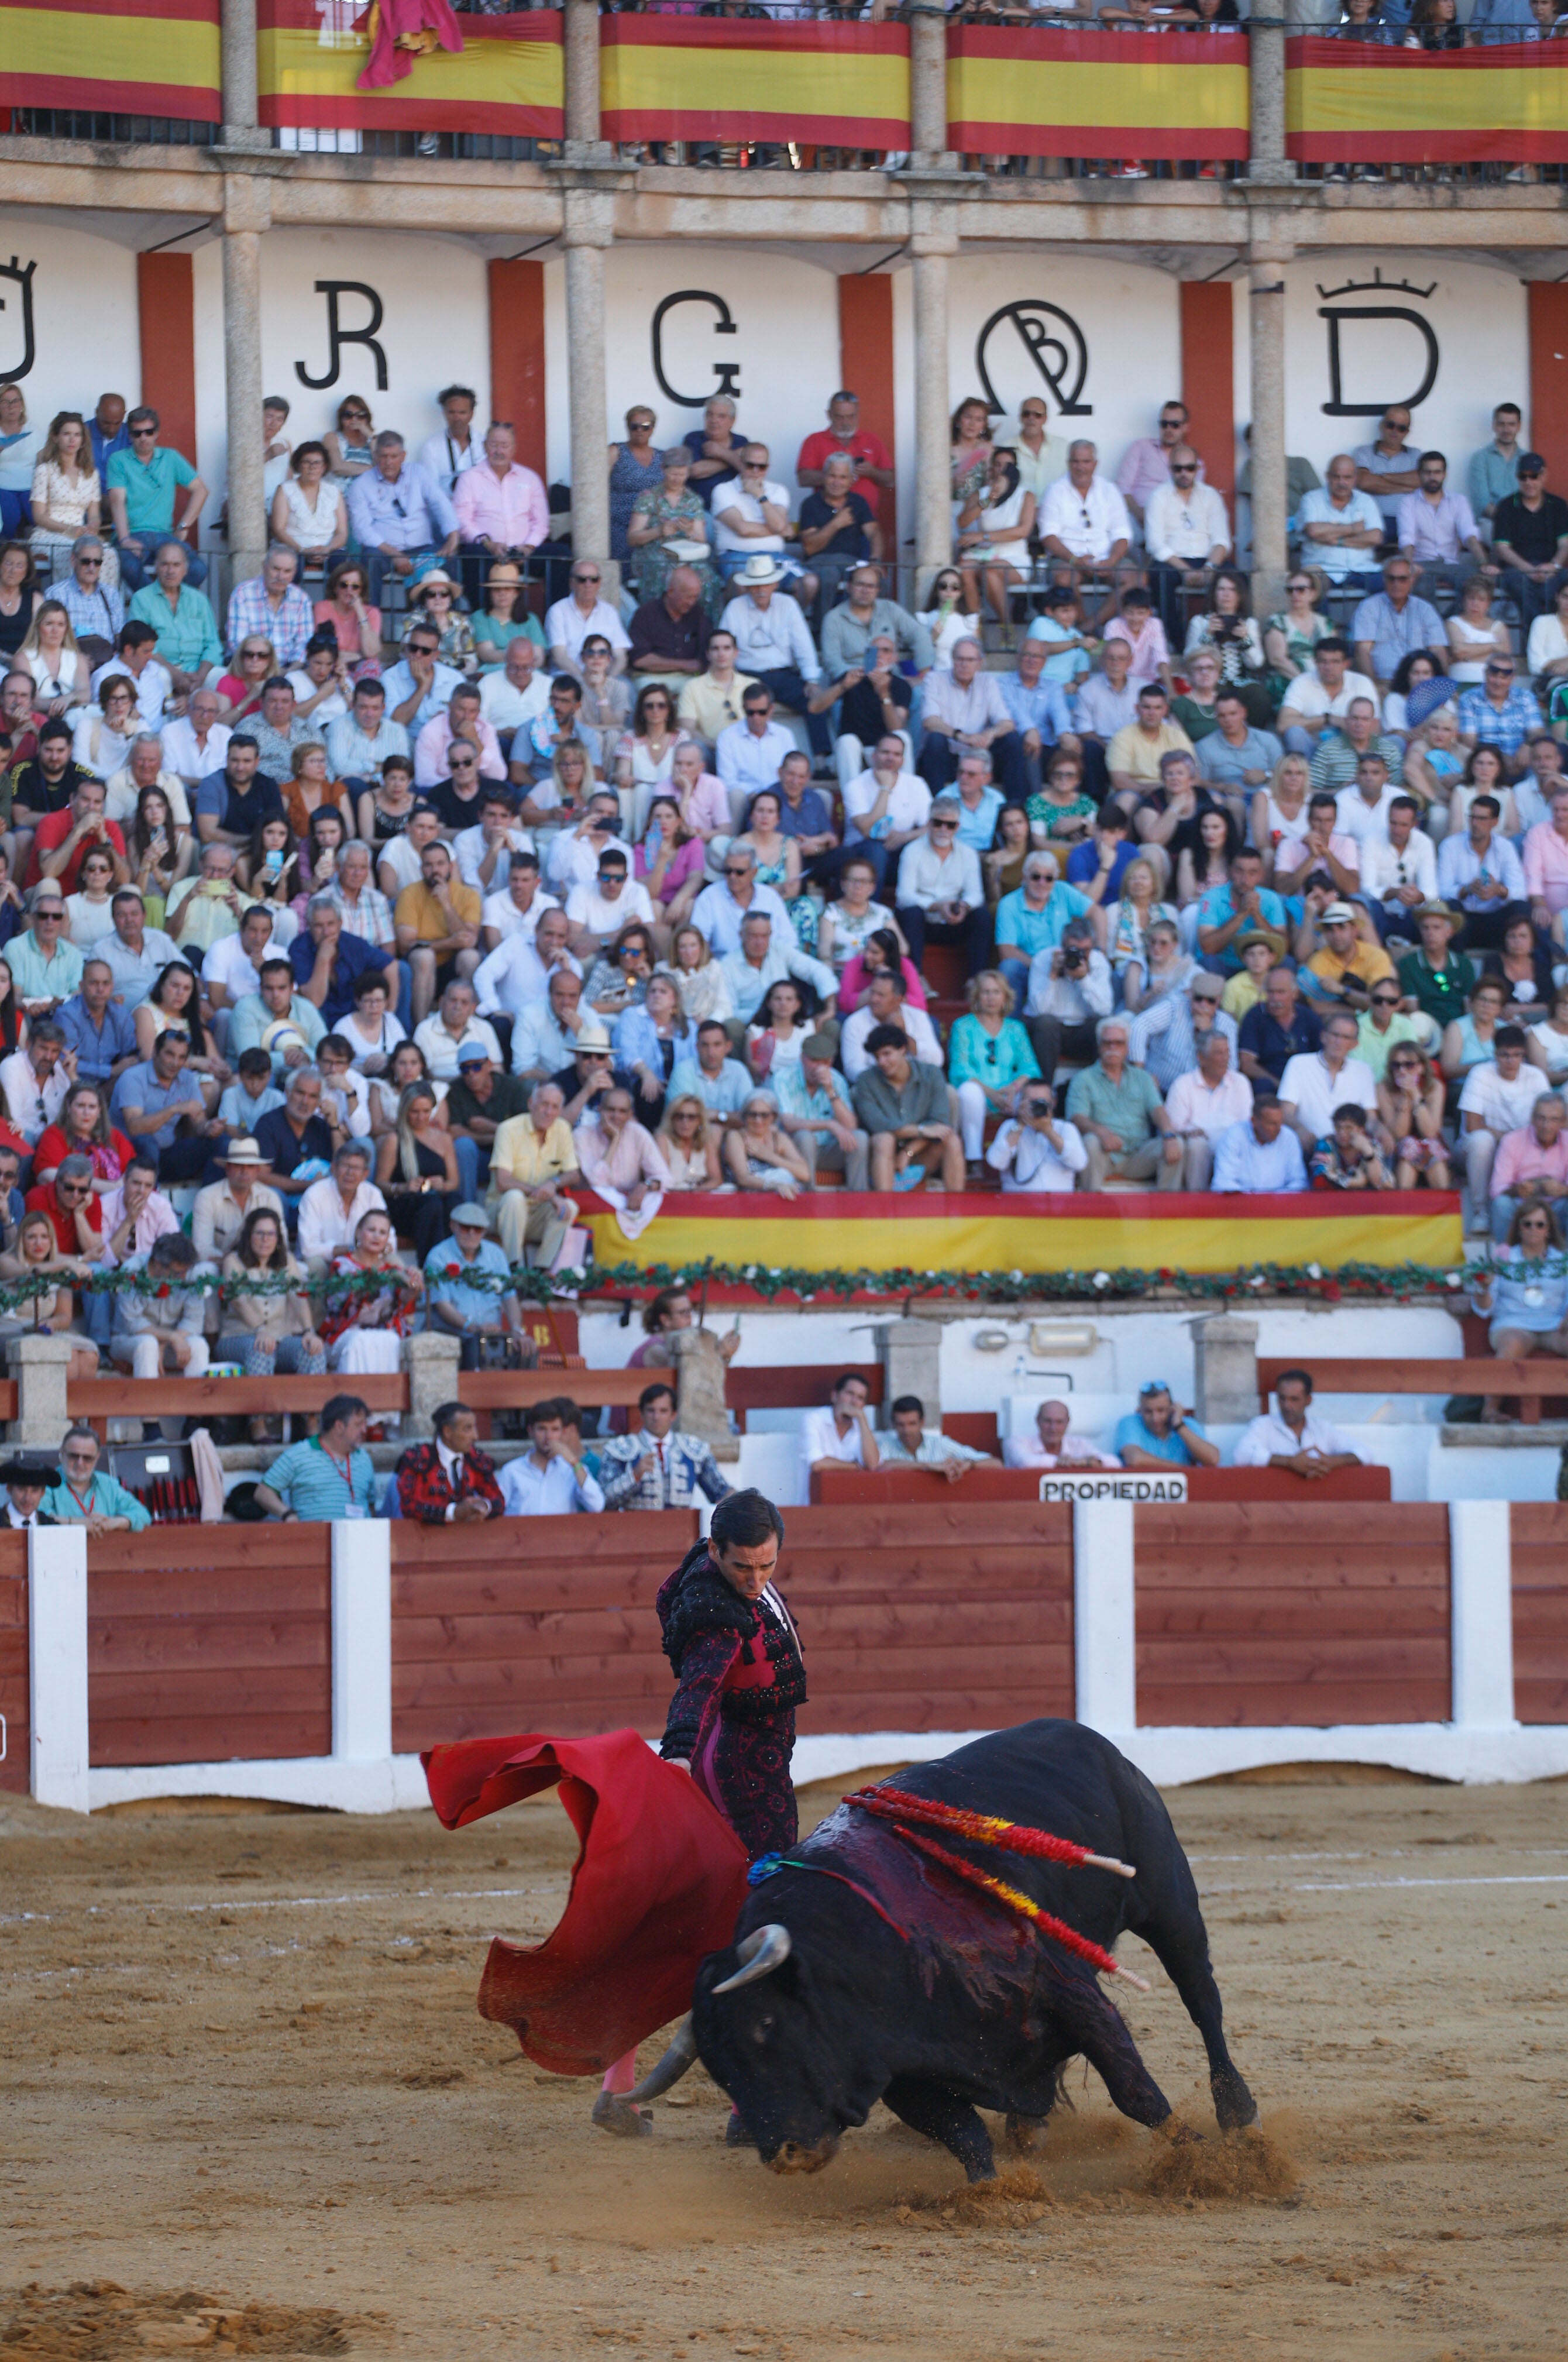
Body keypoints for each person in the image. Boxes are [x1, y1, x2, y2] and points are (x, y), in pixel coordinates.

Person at [1066, 1015, 1181, 1191]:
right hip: (1106, 1154)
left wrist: (1169, 1134)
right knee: (1091, 1141)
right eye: (1107, 1043)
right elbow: (1077, 1117)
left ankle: (1167, 1212)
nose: (1113, 1048)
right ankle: (1091, 1208)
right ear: (1099, 1047)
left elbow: (1157, 1109)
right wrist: (1100, 1131)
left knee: (1176, 1144)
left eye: (1119, 1043)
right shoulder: (1084, 1079)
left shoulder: (1142, 1077)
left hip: (1139, 1154)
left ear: (1127, 1048)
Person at [345, 432, 459, 606]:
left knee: (450, 558)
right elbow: (362, 530)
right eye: (383, 456)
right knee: (370, 559)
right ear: (375, 456)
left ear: (403, 456)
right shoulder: (361, 485)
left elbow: (440, 503)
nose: (389, 462)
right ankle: (371, 623)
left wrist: (453, 536)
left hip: (423, 547)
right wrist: (395, 554)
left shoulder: (418, 473)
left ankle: (450, 625)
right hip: (384, 551)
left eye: (394, 456)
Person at [851, 1022, 962, 1194]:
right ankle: (884, 1211)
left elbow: (940, 1125)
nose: (882, 1062)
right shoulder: (866, 1080)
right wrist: (922, 1130)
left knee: (952, 1140)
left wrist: (908, 1152)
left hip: (919, 1153)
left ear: (903, 1049)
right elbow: (879, 1125)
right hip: (880, 1155)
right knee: (884, 1139)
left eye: (887, 1054)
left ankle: (957, 1213)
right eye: (877, 1056)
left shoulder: (931, 1074)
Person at [104, 407, 208, 592]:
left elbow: (201, 490)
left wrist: (184, 526)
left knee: (198, 569)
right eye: (137, 433)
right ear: (130, 436)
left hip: (165, 537)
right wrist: (125, 538)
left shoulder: (171, 457)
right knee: (128, 566)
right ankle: (154, 604)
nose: (143, 437)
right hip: (133, 534)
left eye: (148, 432)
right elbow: (117, 500)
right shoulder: (118, 460)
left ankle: (162, 603)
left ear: (157, 433)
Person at [599, 1380, 734, 1514]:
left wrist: (740, 1501)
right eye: (651, 1411)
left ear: (673, 1415)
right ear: (641, 1413)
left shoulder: (692, 1449)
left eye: (663, 1411)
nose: (656, 1417)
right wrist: (634, 1475)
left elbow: (721, 1492)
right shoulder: (620, 1449)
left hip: (683, 1530)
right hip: (634, 1530)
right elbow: (603, 1502)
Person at [917, 638, 1026, 802]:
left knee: (1013, 740)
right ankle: (937, 805)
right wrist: (962, 736)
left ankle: (1016, 807)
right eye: (960, 659)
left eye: (970, 660)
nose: (964, 664)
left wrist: (991, 733)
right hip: (947, 757)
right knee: (935, 739)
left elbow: (1007, 722)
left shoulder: (988, 682)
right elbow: (930, 721)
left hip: (979, 758)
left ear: (979, 663)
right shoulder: (934, 679)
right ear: (953, 659)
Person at [424, 1205, 521, 1368]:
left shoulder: (496, 1254)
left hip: (491, 1336)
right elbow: (442, 1305)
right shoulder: (438, 1256)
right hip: (453, 1334)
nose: (471, 1233)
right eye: (465, 1227)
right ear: (453, 1226)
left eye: (478, 1229)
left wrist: (517, 1331)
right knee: (474, 1346)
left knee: (525, 1348)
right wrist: (473, 1328)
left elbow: (510, 1297)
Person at [255, 1394, 377, 1521]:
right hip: (314, 1538)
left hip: (359, 1538)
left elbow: (371, 1506)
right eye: (358, 1425)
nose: (364, 1430)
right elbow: (263, 1493)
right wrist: (287, 1514)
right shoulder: (299, 1454)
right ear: (340, 1426)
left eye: (365, 1424)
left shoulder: (364, 1459)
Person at [109, 1230, 211, 1382]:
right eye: (177, 1273)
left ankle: (198, 1403)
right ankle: (148, 1404)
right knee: (148, 1345)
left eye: (186, 1271)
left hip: (172, 1345)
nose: (183, 1277)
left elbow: (194, 1321)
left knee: (199, 1345)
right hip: (128, 1341)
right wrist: (171, 1336)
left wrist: (167, 1341)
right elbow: (132, 1324)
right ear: (157, 1263)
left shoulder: (191, 1274)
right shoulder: (132, 1271)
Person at [1234, 1369, 1363, 1479]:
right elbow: (1241, 1455)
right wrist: (1290, 1462)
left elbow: (1364, 1453)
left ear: (1308, 1401)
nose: (1287, 1405)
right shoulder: (1263, 1424)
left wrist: (1332, 1462)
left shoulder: (1323, 1428)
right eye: (1282, 1398)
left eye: (1294, 1399)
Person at [396, 1398, 506, 1524]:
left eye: (474, 1428)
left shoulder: (477, 1459)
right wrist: (453, 1513)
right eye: (467, 1429)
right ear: (447, 1432)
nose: (475, 1436)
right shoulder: (417, 1459)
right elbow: (409, 1506)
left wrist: (484, 1506)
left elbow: (499, 1500)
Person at [498, 1396, 606, 1515]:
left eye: (555, 1430)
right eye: (542, 1429)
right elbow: (497, 1510)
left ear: (562, 1432)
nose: (548, 1436)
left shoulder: (571, 1470)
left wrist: (574, 1462)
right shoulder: (512, 1471)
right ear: (530, 1431)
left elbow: (597, 1505)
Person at [42, 1424, 152, 1531]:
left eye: (87, 1458)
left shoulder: (108, 1484)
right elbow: (38, 1518)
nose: (80, 1463)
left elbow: (143, 1515)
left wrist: (112, 1523)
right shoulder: (45, 1483)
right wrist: (81, 1524)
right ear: (62, 1453)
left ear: (97, 1457)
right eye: (74, 1456)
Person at [986, 1078, 1088, 1193]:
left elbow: (1079, 1163)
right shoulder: (1010, 1126)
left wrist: (1048, 1131)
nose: (1037, 1107)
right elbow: (996, 1162)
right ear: (1021, 1102)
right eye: (1032, 1102)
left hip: (1058, 1204)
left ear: (1053, 1102)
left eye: (1042, 1102)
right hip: (1018, 1204)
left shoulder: (1066, 1128)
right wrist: (1020, 1125)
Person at [878, 1394, 997, 1481]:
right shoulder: (885, 1445)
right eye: (901, 1424)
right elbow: (880, 1466)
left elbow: (996, 1463)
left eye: (912, 1424)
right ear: (893, 1424)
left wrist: (970, 1465)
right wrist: (929, 1466)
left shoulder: (941, 1444)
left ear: (922, 1423)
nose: (907, 1430)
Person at [1113, 1381, 1220, 1470]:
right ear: (1139, 1410)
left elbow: (1213, 1459)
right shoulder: (1130, 1422)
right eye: (1148, 1412)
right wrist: (1184, 1470)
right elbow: (1134, 1459)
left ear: (1172, 1409)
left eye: (1161, 1411)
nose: (1155, 1418)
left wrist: (1179, 1426)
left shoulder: (1187, 1424)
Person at [802, 1371, 881, 1482]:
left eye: (860, 1398)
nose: (854, 1402)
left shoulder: (862, 1426)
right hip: (815, 1496)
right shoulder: (814, 1419)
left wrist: (862, 1418)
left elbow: (873, 1464)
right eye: (850, 1394)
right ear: (834, 1396)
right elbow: (817, 1463)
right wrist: (855, 1466)